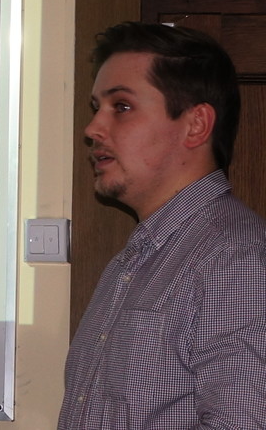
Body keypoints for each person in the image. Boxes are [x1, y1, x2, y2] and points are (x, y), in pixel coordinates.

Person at [59, 21, 266, 429]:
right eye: (97, 107)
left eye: (121, 107)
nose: (93, 128)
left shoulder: (234, 260)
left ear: (196, 125)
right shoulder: (136, 259)